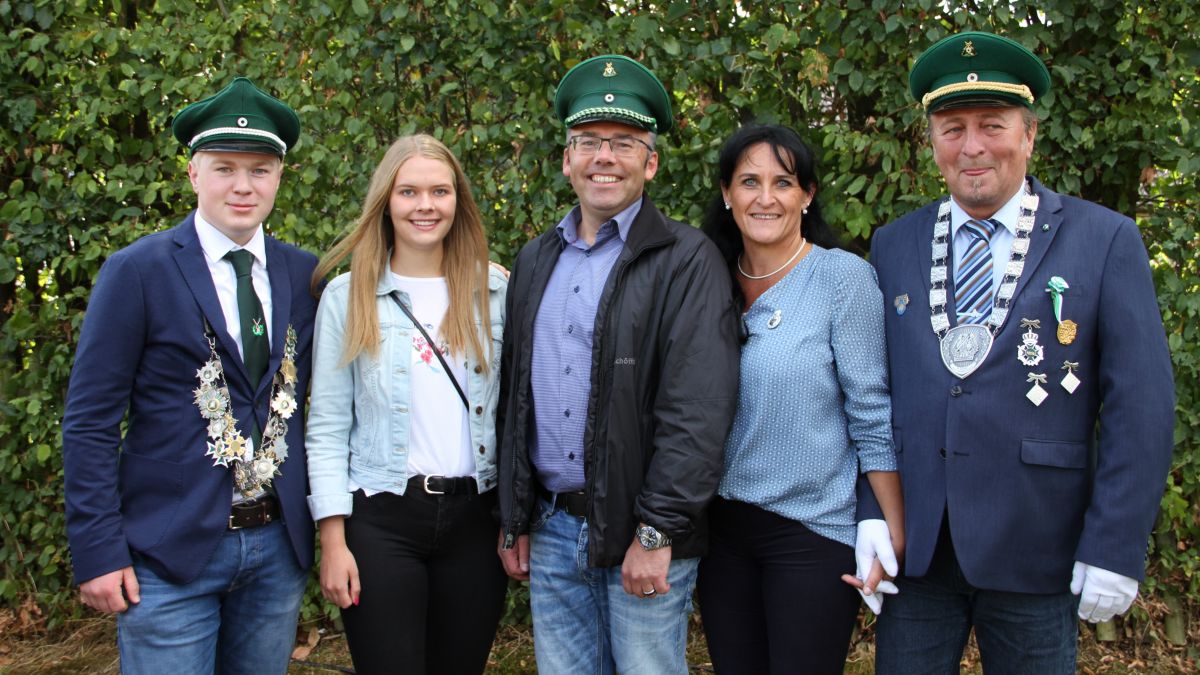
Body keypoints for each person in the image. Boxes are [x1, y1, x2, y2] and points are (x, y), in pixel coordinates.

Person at [869, 31, 1175, 673]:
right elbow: (871, 396)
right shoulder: (893, 244)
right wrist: (873, 513)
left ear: (1029, 134)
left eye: (992, 125)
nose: (972, 146)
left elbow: (1140, 406)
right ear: (932, 143)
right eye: (952, 128)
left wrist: (1116, 545)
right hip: (918, 548)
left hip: (1039, 545)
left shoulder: (1104, 240)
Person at [61, 77, 317, 673]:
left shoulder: (303, 275)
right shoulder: (138, 271)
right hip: (169, 552)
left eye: (259, 169)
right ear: (193, 173)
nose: (242, 186)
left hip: (276, 549)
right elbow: (91, 421)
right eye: (224, 167)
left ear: (279, 177)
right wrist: (98, 550)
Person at [495, 54, 740, 674]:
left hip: (643, 533)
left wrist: (657, 534)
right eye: (588, 142)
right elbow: (514, 401)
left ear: (650, 162)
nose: (604, 156)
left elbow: (699, 409)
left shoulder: (686, 258)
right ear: (567, 159)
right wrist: (514, 517)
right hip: (551, 530)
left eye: (624, 143)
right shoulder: (534, 260)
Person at [696, 124, 905, 673]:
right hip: (720, 535)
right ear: (726, 193)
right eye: (749, 182)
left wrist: (893, 530)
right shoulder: (705, 280)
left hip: (811, 535)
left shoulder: (842, 278)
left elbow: (872, 412)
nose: (766, 198)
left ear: (807, 195)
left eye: (783, 182)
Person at [305, 134, 508, 674]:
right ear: (386, 202)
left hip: (474, 520)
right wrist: (333, 539)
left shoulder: (495, 292)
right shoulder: (347, 298)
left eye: (440, 191)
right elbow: (325, 425)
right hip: (380, 520)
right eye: (409, 192)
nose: (425, 205)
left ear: (458, 201)